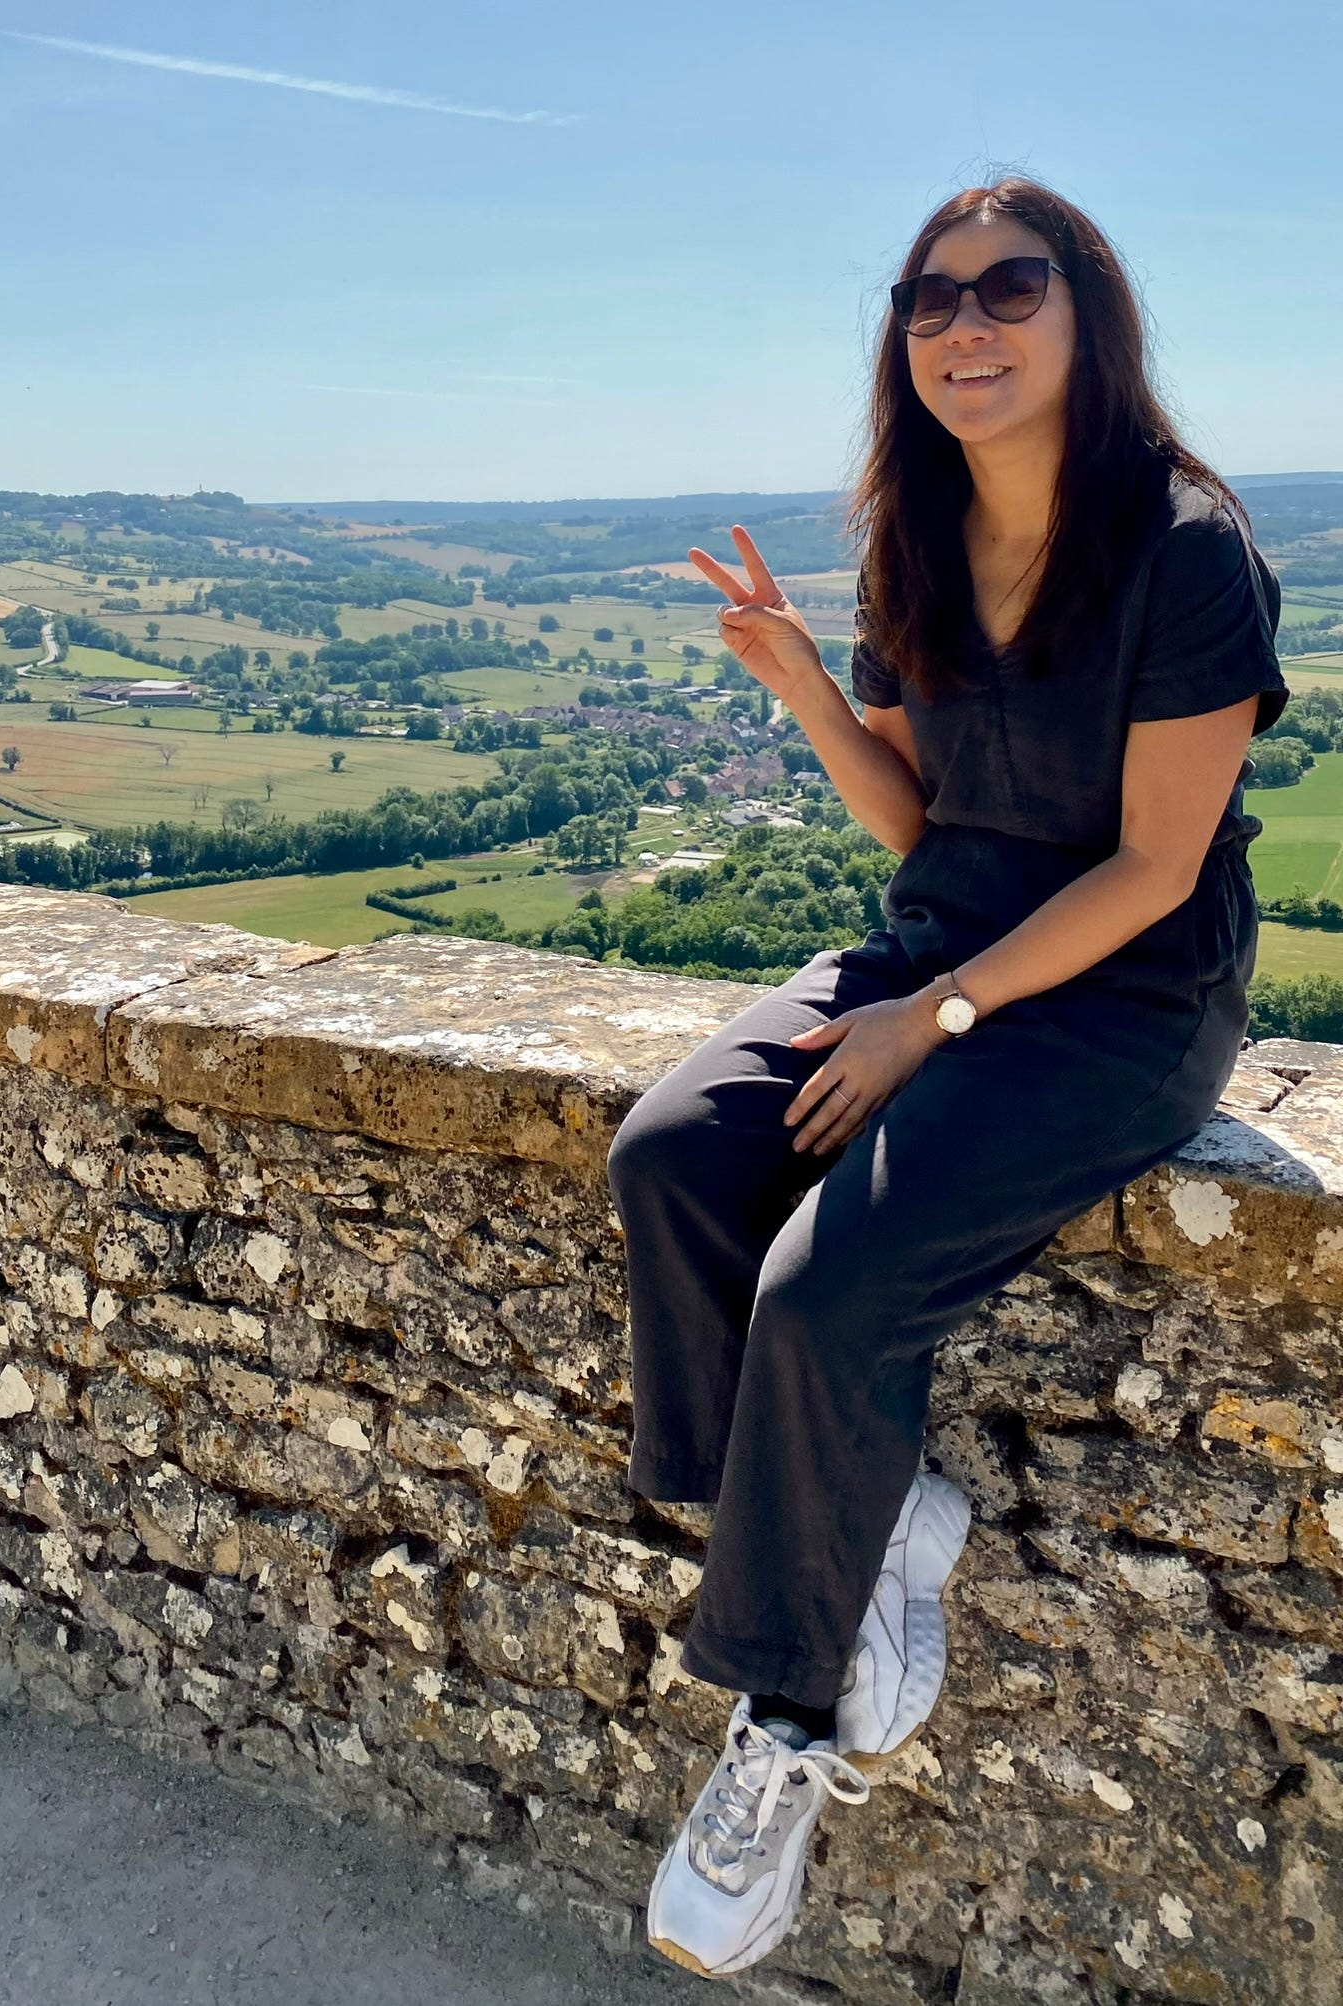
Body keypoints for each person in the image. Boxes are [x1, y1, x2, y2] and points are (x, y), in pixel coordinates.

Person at [606, 175, 1290, 1981]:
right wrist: (805, 689)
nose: (963, 324)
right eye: (929, 298)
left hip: (1128, 998)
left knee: (825, 1287)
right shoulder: (906, 537)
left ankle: (785, 1716)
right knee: (671, 1156)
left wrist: (940, 1020)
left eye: (1009, 287)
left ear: (1088, 315)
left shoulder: (1185, 547)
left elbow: (1153, 866)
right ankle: (854, 1513)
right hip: (943, 942)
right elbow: (923, 822)